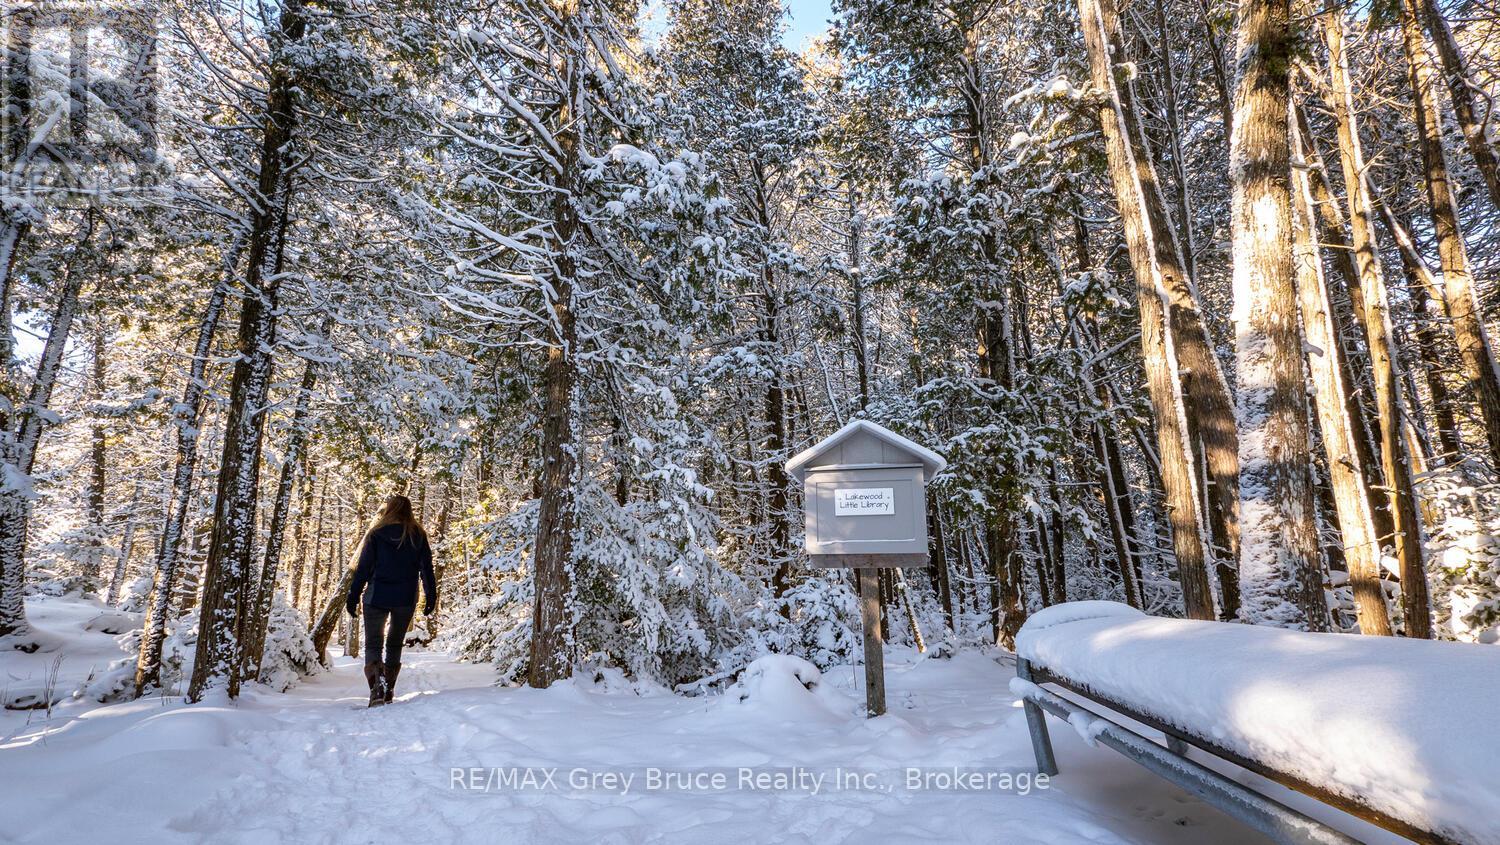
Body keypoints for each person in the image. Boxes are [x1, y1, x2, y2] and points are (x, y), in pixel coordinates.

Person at [346, 494, 437, 707]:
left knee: (373, 643)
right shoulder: (418, 535)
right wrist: (430, 595)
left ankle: (376, 689)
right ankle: (388, 689)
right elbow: (426, 569)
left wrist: (353, 596)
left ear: (389, 510)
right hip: (405, 597)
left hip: (376, 595)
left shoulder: (376, 534)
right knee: (395, 643)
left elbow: (363, 569)